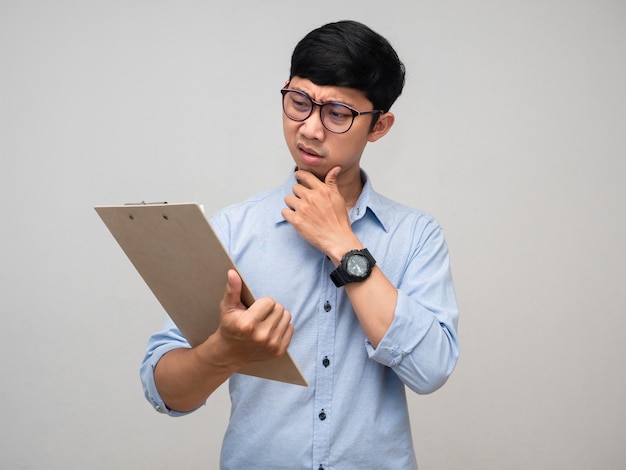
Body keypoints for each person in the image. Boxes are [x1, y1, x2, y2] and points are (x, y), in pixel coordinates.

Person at [140, 20, 459, 469]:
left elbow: (430, 370)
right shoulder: (233, 229)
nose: (310, 128)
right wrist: (223, 352)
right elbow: (164, 391)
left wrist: (343, 244)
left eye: (338, 113)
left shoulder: (416, 236)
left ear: (379, 126)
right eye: (300, 102)